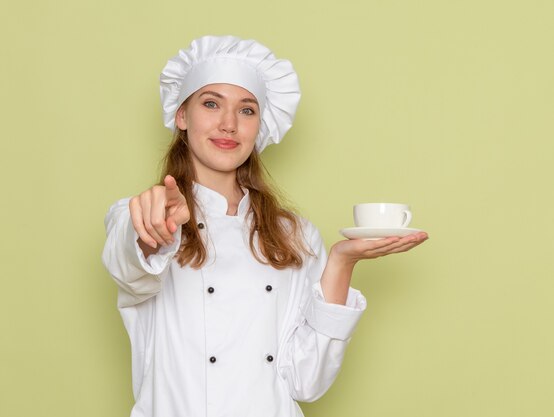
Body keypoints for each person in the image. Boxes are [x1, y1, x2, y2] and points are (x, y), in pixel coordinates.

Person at [102, 35, 428, 417]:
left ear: (260, 125)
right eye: (211, 104)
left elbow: (307, 382)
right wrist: (152, 229)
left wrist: (341, 263)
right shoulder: (137, 213)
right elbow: (130, 264)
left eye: (246, 110)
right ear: (182, 115)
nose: (228, 124)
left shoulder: (295, 235)